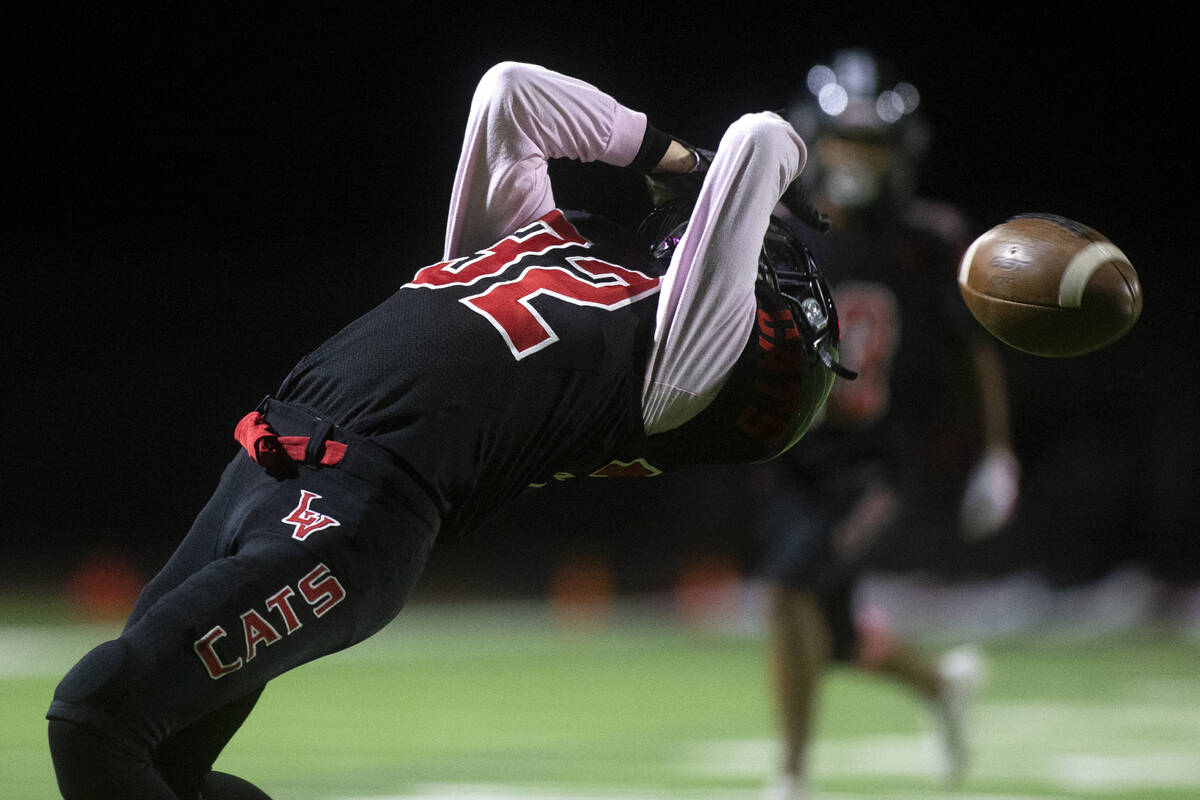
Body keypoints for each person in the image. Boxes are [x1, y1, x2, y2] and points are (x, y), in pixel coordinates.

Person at [46, 61, 851, 799]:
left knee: (96, 719)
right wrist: (676, 159)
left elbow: (760, 141)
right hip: (263, 466)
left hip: (354, 513)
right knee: (166, 765)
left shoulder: (676, 374)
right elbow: (511, 95)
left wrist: (689, 163)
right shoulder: (552, 249)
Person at [755, 48, 1019, 800]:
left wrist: (997, 456)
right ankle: (941, 686)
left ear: (899, 153)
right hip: (792, 454)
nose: (856, 156)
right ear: (814, 139)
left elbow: (977, 351)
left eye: (873, 141)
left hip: (873, 460)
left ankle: (791, 777)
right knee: (830, 637)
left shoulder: (925, 238)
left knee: (786, 588)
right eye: (845, 137)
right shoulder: (780, 227)